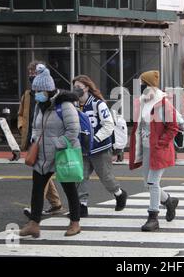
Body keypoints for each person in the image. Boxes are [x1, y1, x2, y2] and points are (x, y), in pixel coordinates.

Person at [19, 64, 81, 238]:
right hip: (42, 155)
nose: (36, 95)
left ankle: (75, 223)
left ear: (48, 90)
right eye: (35, 92)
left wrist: (57, 145)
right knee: (37, 189)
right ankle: (34, 223)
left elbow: (73, 131)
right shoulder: (40, 105)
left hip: (62, 154)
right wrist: (35, 142)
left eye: (39, 92)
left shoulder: (65, 106)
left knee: (69, 189)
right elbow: (36, 127)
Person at [129, 71, 179, 232]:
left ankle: (153, 217)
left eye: (143, 83)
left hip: (158, 149)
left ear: (149, 84)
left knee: (153, 182)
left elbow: (173, 127)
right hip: (145, 148)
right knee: (148, 184)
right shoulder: (143, 101)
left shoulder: (163, 103)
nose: (140, 86)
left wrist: (160, 144)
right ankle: (169, 201)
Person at [72, 75, 128, 217]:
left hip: (100, 147)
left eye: (79, 87)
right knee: (80, 177)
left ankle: (119, 194)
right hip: (82, 148)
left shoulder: (98, 104)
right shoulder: (74, 105)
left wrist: (95, 139)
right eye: (74, 87)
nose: (76, 90)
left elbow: (108, 125)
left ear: (87, 88)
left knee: (105, 176)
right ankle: (82, 205)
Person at [18, 61, 65, 218]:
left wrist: (58, 142)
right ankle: (55, 203)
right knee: (42, 171)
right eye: (30, 72)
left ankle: (35, 208)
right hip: (34, 137)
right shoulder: (28, 94)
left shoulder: (54, 99)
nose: (31, 75)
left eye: (34, 72)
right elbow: (21, 114)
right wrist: (22, 128)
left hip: (49, 141)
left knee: (43, 172)